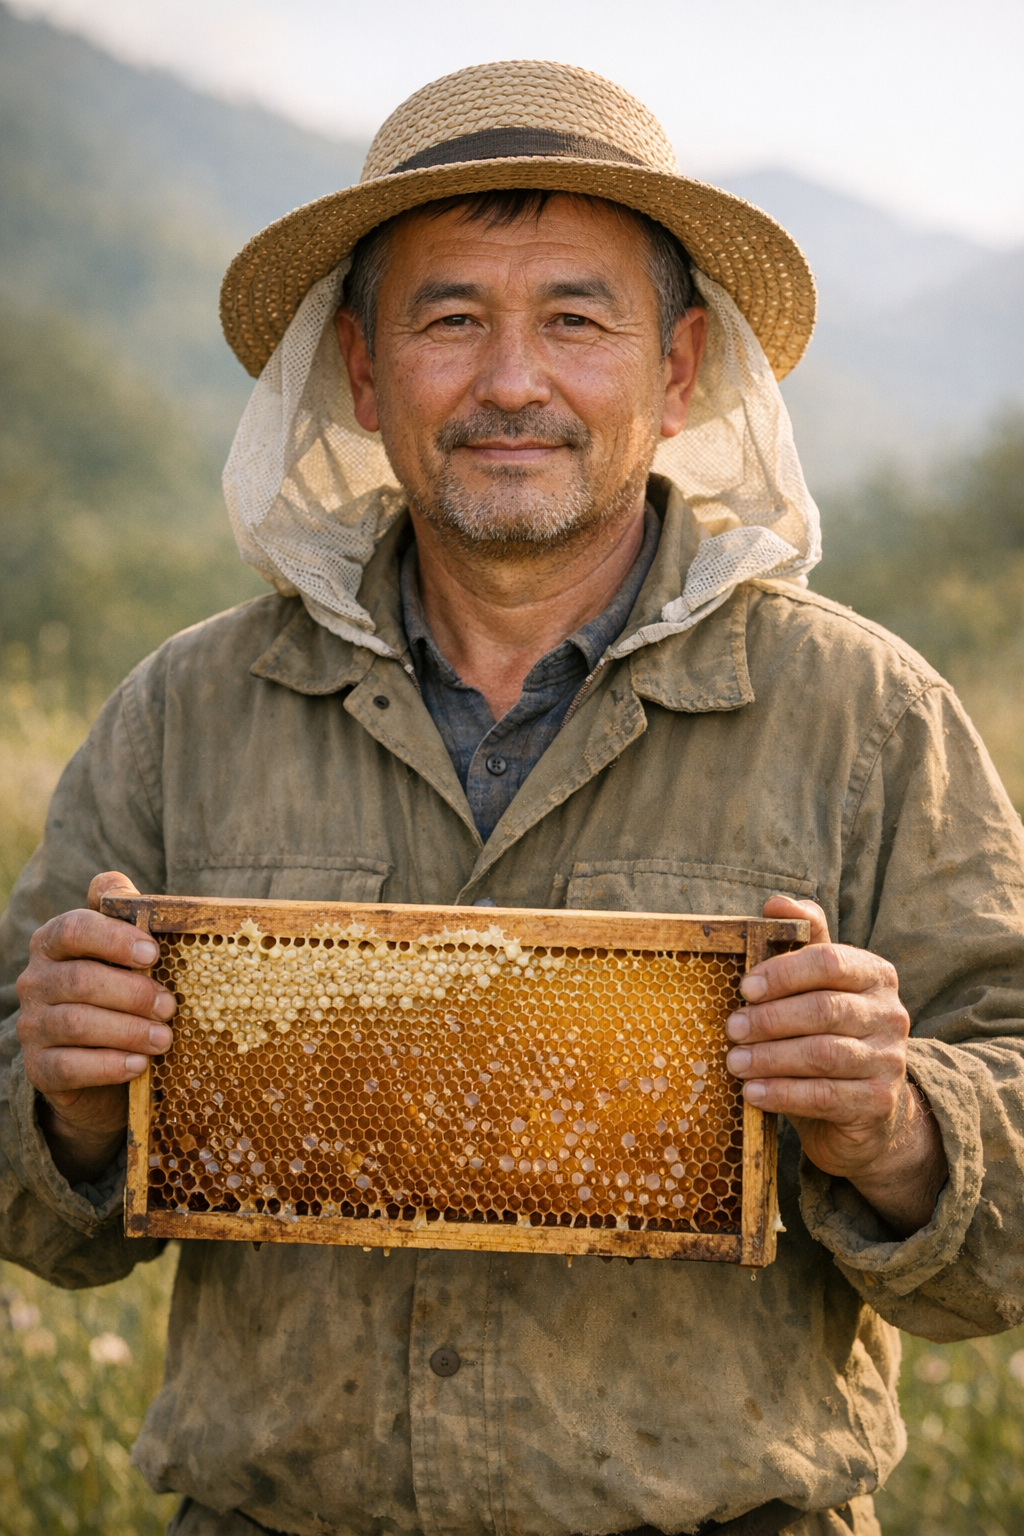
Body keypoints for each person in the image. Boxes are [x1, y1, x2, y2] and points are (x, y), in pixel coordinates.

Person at [2, 59, 1023, 1536]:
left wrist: (896, 1128)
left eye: (573, 318)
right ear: (361, 371)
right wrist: (76, 1105)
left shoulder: (866, 718)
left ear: (680, 371)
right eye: (451, 318)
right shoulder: (187, 713)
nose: (511, 382)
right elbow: (31, 1199)